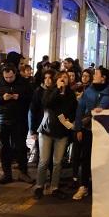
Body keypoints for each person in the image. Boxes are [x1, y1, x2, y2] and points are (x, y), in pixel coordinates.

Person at [33, 72, 78, 200]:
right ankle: (39, 186)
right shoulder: (50, 91)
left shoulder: (70, 95)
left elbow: (73, 110)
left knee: (57, 161)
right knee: (44, 160)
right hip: (47, 130)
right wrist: (57, 90)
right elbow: (46, 103)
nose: (63, 79)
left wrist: (69, 120)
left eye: (65, 78)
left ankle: (54, 187)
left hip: (62, 132)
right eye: (60, 77)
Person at [73, 67, 109, 201]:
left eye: (97, 74)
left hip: (104, 132)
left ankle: (101, 187)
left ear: (104, 78)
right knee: (86, 158)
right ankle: (83, 186)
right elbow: (80, 110)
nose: (94, 76)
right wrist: (78, 128)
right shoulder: (88, 91)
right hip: (88, 130)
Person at [0, 66, 33, 184]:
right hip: (2, 118)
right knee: (4, 147)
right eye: (6, 77)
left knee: (20, 146)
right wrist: (2, 98)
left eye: (11, 77)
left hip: (19, 119)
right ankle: (7, 174)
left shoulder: (24, 83)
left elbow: (32, 98)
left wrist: (19, 97)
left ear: (15, 74)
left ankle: (23, 172)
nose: (9, 79)